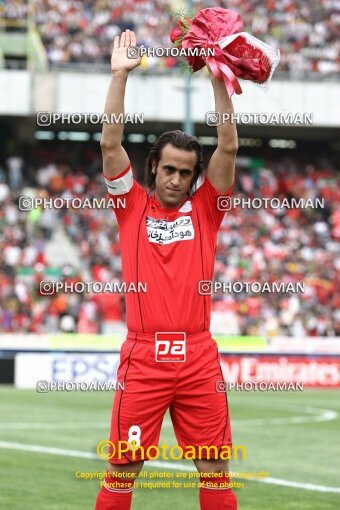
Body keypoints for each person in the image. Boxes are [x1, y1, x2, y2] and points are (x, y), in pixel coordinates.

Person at [95, 30, 238, 510]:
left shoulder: (206, 210)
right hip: (145, 359)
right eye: (169, 169)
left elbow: (229, 148)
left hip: (199, 359)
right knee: (122, 473)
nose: (177, 179)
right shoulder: (130, 206)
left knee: (216, 474)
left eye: (186, 172)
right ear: (153, 167)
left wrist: (220, 74)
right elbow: (110, 143)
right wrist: (120, 76)